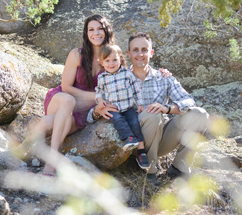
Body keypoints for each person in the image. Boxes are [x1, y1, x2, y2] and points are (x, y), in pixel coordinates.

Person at [88, 32, 209, 185]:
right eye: (136, 50)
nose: (140, 54)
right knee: (151, 115)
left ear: (151, 53)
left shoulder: (163, 78)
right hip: (130, 143)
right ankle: (150, 171)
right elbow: (90, 116)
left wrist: (167, 108)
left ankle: (179, 167)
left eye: (144, 50)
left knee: (200, 114)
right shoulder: (115, 78)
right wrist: (97, 111)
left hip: (161, 139)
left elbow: (189, 101)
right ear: (128, 54)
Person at [23, 14, 118, 176]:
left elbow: (125, 81)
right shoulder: (77, 54)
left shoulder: (112, 58)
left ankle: (23, 147)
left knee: (47, 121)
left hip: (80, 114)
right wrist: (96, 98)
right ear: (86, 34)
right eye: (91, 29)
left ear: (107, 31)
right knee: (68, 100)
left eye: (99, 29)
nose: (96, 33)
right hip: (60, 100)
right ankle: (52, 161)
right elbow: (66, 87)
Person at [96, 44, 150, 169]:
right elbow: (98, 91)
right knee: (117, 119)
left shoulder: (127, 74)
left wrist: (140, 103)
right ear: (102, 63)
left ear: (120, 59)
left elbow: (136, 89)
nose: (111, 63)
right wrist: (99, 100)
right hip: (114, 108)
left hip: (128, 107)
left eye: (115, 60)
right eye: (107, 61)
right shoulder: (102, 77)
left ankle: (141, 152)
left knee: (135, 123)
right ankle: (129, 138)